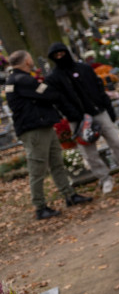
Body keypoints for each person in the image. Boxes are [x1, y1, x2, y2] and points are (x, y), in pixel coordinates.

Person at [46, 43, 119, 193]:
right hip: (77, 120)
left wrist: (108, 107)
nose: (60, 58)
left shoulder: (84, 69)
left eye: (62, 54)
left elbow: (99, 88)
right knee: (89, 153)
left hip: (98, 112)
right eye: (56, 56)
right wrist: (74, 115)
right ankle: (105, 179)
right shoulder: (53, 78)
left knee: (116, 142)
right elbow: (59, 101)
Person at [5, 50, 92, 219]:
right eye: (30, 59)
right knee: (37, 168)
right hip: (34, 129)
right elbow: (49, 94)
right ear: (27, 61)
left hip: (42, 125)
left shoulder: (14, 80)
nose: (32, 61)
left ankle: (69, 195)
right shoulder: (23, 79)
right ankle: (40, 207)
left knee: (56, 163)